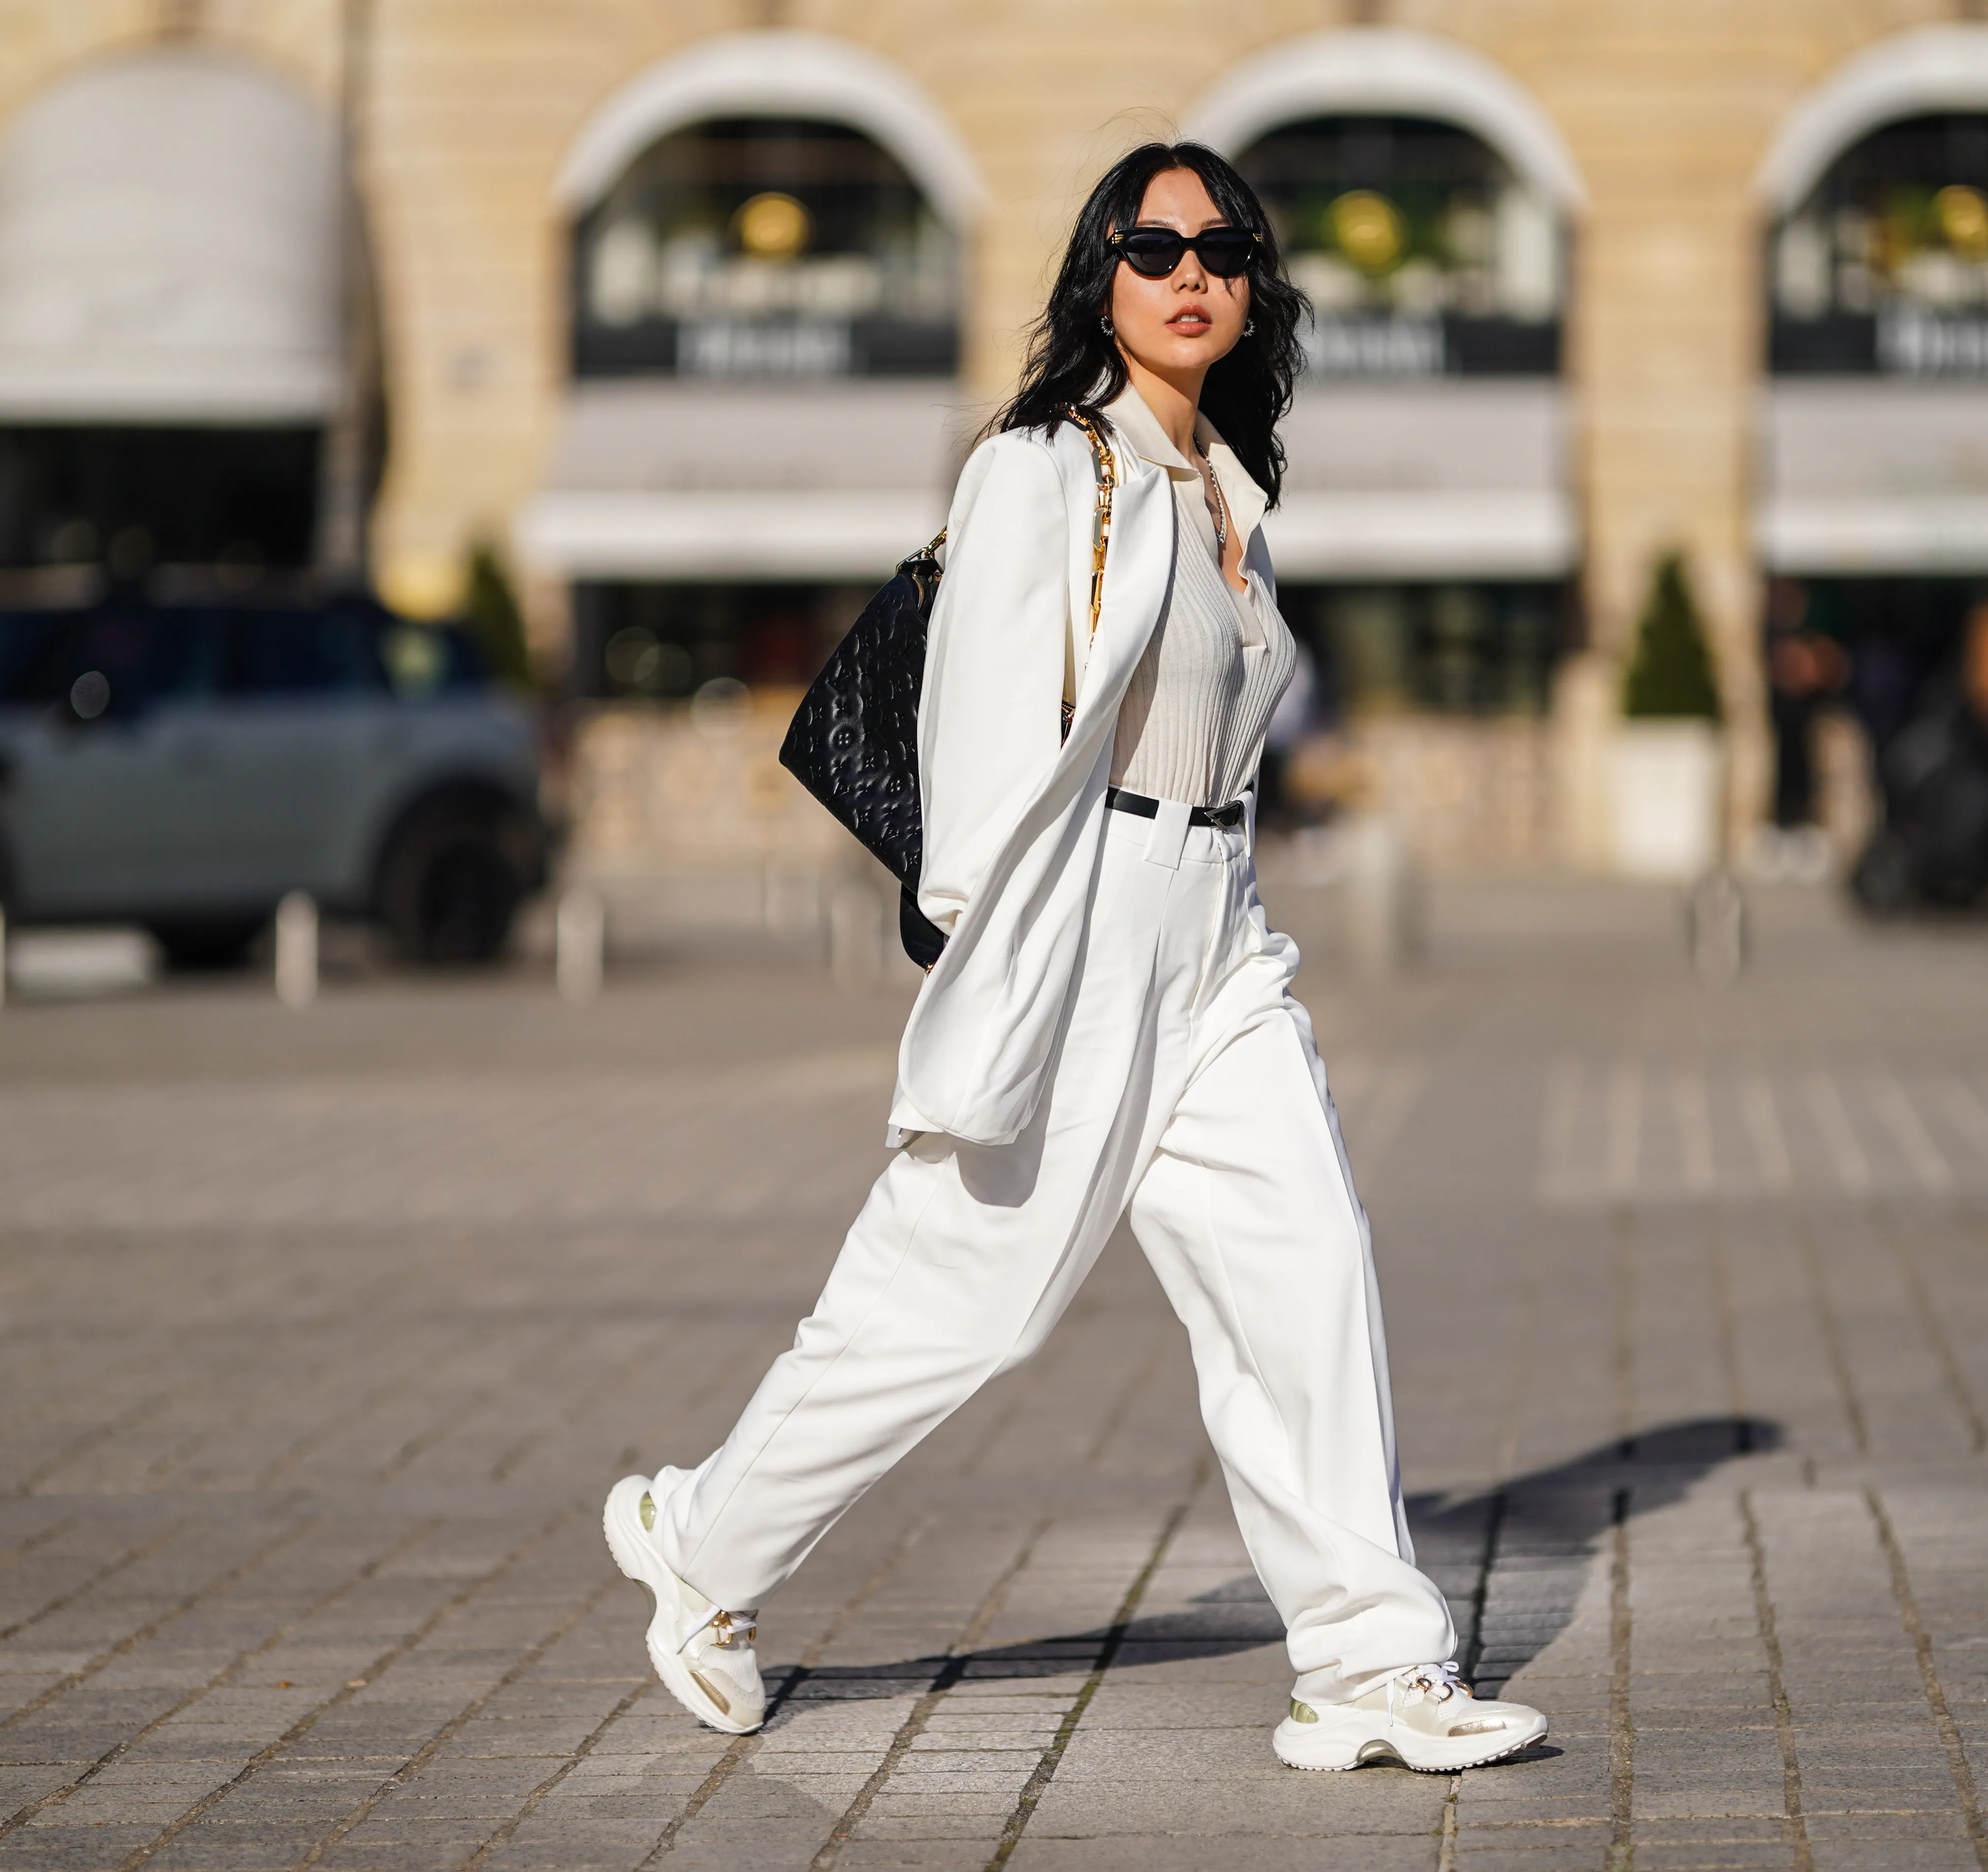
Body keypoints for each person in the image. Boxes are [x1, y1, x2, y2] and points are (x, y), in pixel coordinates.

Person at [602, 143, 1548, 1778]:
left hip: (1221, 927)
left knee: (1304, 1267)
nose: (1191, 270)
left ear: (1256, 289)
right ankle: (706, 1543)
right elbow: (976, 727)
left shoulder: (1232, 492)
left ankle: (1369, 1663)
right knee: (964, 1304)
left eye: (1223, 247)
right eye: (1152, 241)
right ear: (1097, 276)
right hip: (1081, 916)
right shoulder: (1047, 464)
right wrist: (989, 945)